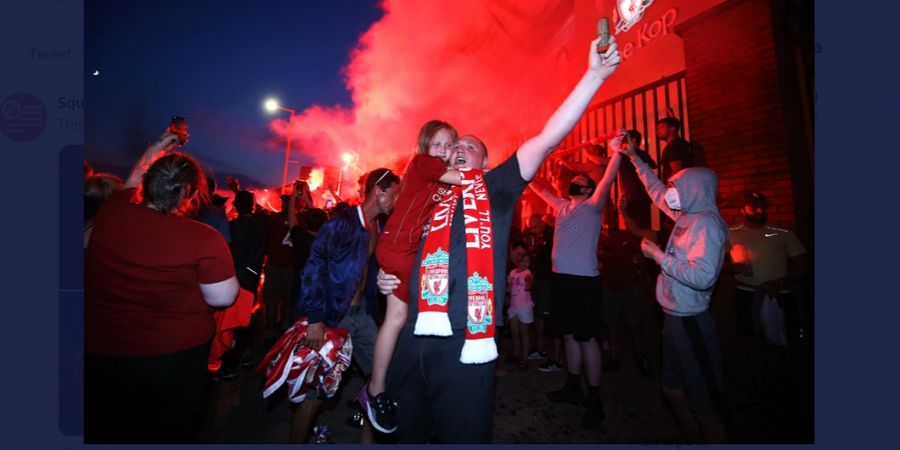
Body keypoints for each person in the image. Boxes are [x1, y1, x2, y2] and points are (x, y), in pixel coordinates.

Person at [376, 35, 622, 443]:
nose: (459, 150)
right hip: (413, 335)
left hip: (464, 338)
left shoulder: (495, 187)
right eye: (455, 147)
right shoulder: (430, 194)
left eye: (469, 147)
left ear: (485, 162)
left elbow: (546, 139)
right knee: (404, 436)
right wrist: (391, 277)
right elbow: (403, 247)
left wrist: (594, 76)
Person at [85, 130, 239, 443]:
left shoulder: (113, 211)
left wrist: (155, 147)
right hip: (170, 358)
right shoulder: (203, 238)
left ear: (148, 184)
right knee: (165, 430)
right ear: (188, 193)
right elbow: (223, 296)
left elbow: (130, 183)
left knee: (106, 425)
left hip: (100, 350)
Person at [618, 141, 728, 443]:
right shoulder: (685, 216)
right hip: (672, 317)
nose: (670, 191)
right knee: (673, 389)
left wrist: (659, 257)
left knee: (706, 404)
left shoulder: (707, 225)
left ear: (694, 189)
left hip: (691, 321)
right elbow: (654, 190)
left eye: (676, 186)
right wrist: (633, 159)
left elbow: (703, 277)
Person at [361, 120, 462, 434]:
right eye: (438, 144)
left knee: (399, 319)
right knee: (399, 319)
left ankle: (380, 389)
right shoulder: (423, 164)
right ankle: (376, 390)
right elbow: (465, 180)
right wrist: (488, 171)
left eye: (449, 145)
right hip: (398, 249)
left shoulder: (436, 180)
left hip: (402, 251)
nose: (443, 151)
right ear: (425, 147)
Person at [288, 168, 401, 444]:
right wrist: (315, 318)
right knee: (314, 393)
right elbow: (313, 268)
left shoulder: (381, 226)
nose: (397, 200)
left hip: (364, 315)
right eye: (395, 194)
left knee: (381, 382)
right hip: (333, 317)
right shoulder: (341, 223)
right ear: (379, 191)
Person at [527, 139, 624, 429]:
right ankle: (572, 387)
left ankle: (594, 399)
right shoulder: (561, 207)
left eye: (580, 179)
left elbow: (607, 177)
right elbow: (538, 187)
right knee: (568, 335)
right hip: (561, 280)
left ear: (586, 189)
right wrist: (532, 161)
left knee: (587, 339)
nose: (575, 179)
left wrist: (618, 150)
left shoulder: (594, 206)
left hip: (584, 284)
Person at [727, 191, 809, 408]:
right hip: (746, 294)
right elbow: (715, 263)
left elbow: (804, 266)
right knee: (751, 345)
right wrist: (730, 267)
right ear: (742, 210)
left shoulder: (782, 233)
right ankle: (757, 391)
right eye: (754, 206)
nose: (760, 210)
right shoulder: (730, 233)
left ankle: (791, 393)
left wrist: (780, 282)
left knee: (785, 344)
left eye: (763, 206)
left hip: (779, 294)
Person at [598, 204, 653, 377]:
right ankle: (614, 357)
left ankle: (641, 357)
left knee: (634, 324)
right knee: (611, 325)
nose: (607, 226)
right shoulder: (597, 238)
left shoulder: (627, 237)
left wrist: (640, 269)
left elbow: (641, 261)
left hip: (630, 287)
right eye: (605, 222)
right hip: (609, 287)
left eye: (610, 221)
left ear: (615, 219)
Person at [616, 129, 657, 229]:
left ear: (633, 140)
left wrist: (586, 151)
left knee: (636, 230)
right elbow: (653, 165)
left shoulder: (628, 155)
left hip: (635, 198)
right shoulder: (642, 154)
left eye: (625, 140)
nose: (622, 142)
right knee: (642, 229)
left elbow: (602, 162)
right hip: (641, 197)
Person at [507, 249, 534, 370]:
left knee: (524, 334)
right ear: (518, 261)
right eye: (523, 260)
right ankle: (517, 355)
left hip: (525, 307)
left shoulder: (528, 273)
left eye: (527, 261)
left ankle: (525, 358)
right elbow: (509, 287)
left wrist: (529, 285)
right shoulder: (512, 272)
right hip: (514, 307)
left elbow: (529, 281)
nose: (525, 263)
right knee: (515, 333)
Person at [656, 117, 692, 184]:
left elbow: (676, 170)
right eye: (657, 129)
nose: (658, 132)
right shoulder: (681, 143)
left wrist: (669, 187)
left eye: (661, 127)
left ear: (672, 128)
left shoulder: (673, 146)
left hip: (677, 187)